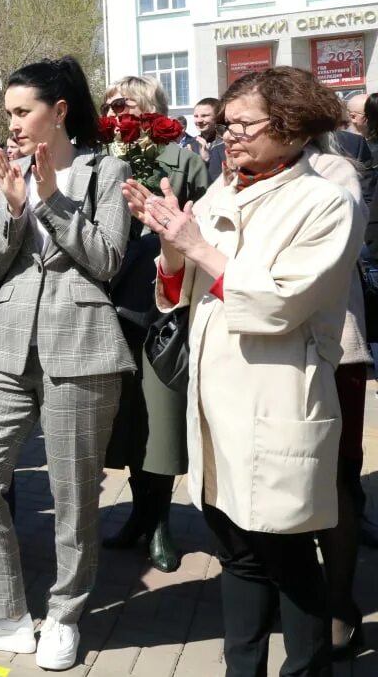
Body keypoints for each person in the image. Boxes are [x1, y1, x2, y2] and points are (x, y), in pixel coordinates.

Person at [123, 66, 362, 677]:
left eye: (244, 125)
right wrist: (172, 244)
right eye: (227, 125)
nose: (229, 137)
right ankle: (242, 668)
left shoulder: (325, 201)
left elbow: (280, 304)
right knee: (237, 554)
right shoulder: (224, 190)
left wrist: (198, 244)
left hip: (274, 394)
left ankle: (307, 668)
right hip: (216, 401)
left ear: (291, 125)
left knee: (286, 557)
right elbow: (177, 295)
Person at [0, 57, 133, 671]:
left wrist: (51, 199)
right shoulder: (9, 173)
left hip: (81, 342)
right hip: (8, 344)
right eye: (7, 114)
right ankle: (5, 616)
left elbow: (106, 260)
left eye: (22, 112)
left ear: (59, 112)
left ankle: (65, 614)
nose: (13, 125)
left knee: (74, 494)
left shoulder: (105, 170)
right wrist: (17, 204)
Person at [99, 76, 208, 574]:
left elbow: (204, 224)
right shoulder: (98, 157)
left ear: (148, 107)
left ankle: (160, 523)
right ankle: (139, 516)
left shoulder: (182, 160)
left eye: (122, 101)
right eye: (108, 103)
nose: (113, 108)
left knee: (159, 422)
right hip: (107, 308)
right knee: (123, 423)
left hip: (163, 310)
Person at [302, 140, 369, 657]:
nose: (233, 136)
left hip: (333, 350)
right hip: (263, 355)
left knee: (338, 483)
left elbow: (332, 252)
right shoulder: (236, 173)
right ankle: (295, 596)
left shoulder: (333, 171)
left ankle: (342, 603)